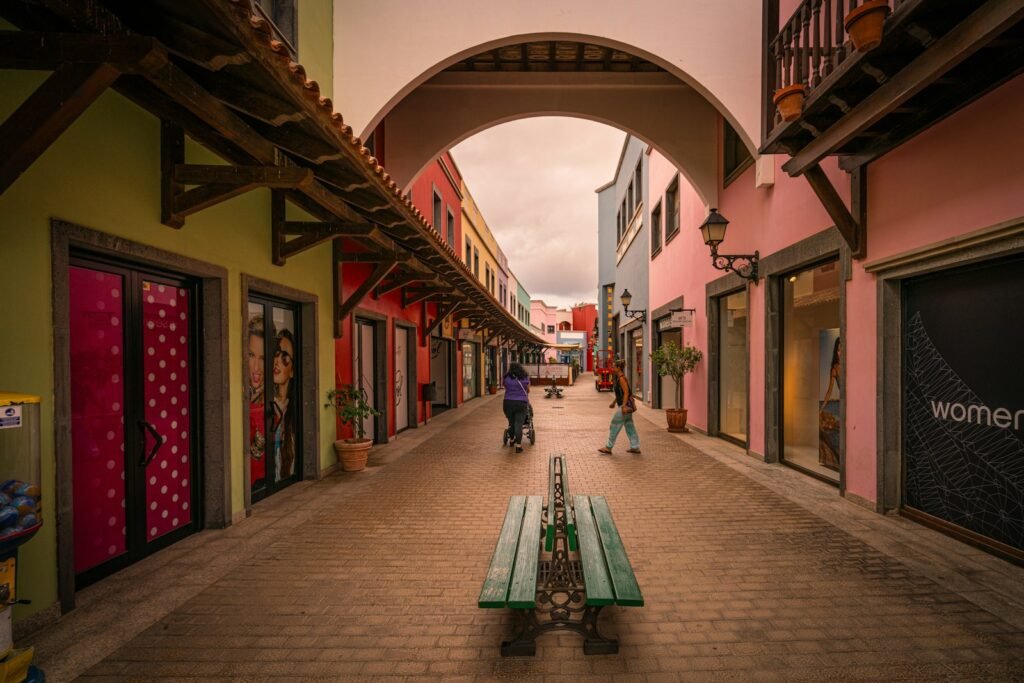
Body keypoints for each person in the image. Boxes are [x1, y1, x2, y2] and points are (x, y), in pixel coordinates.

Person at [598, 358, 641, 454]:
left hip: (623, 406)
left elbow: (626, 393)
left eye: (614, 367)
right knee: (629, 426)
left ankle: (608, 447)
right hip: (623, 405)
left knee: (614, 425)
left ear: (618, 368)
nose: (612, 368)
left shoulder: (621, 379)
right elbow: (620, 393)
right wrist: (614, 402)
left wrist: (624, 406)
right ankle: (635, 446)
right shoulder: (619, 378)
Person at [271, 329, 297, 479]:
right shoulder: (264, 402)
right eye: (276, 353)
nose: (277, 361)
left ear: (292, 371)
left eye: (285, 357)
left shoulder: (292, 413)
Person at [247, 315, 267, 486]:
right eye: (251, 355)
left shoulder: (270, 398)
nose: (256, 367)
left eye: (263, 358)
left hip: (265, 474)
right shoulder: (242, 397)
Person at [502, 362, 530, 453]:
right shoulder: (525, 377)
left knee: (511, 423)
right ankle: (518, 446)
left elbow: (506, 388)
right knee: (518, 424)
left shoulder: (506, 377)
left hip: (508, 402)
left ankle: (512, 439)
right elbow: (528, 390)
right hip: (521, 403)